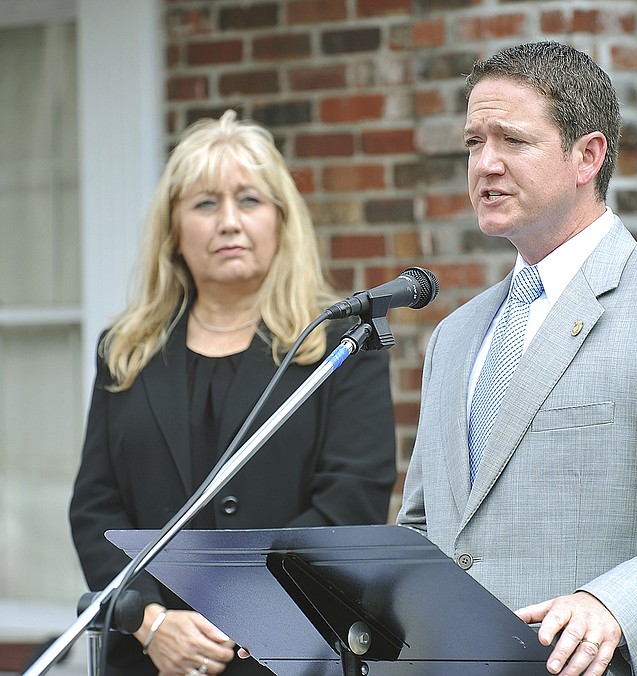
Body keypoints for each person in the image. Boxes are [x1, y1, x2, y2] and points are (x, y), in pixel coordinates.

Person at [396, 41, 637, 676]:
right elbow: (427, 531)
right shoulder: (455, 336)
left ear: (589, 155)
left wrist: (613, 606)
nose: (484, 164)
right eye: (473, 143)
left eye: (511, 141)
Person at [69, 110, 397, 676]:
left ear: (280, 220)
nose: (228, 222)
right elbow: (95, 507)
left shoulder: (340, 346)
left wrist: (243, 610)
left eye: (249, 201)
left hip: (287, 654)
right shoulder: (123, 350)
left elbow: (352, 500)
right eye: (204, 204)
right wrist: (151, 621)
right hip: (149, 657)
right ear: (174, 230)